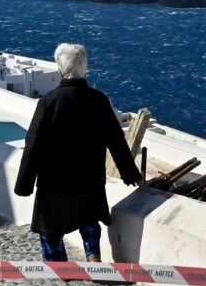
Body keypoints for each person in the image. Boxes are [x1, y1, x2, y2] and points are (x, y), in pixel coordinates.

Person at [14, 43, 145, 263]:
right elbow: (116, 140)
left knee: (50, 228)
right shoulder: (99, 100)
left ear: (60, 70)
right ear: (84, 69)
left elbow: (33, 144)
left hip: (54, 181)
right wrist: (131, 174)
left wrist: (24, 184)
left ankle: (59, 266)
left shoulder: (49, 102)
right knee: (89, 221)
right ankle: (93, 255)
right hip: (89, 178)